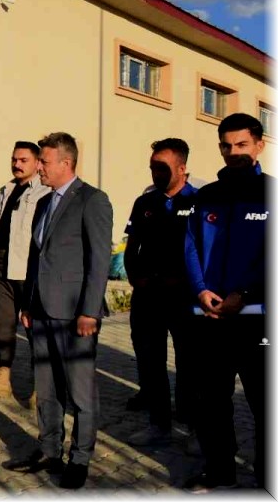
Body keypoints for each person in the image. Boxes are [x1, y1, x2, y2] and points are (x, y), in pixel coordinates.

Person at [3, 132, 112, 489]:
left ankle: (80, 458)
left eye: (45, 162)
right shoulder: (44, 201)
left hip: (74, 314)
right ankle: (50, 449)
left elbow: (99, 261)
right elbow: (36, 257)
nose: (40, 168)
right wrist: (28, 304)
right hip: (41, 311)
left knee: (80, 393)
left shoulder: (92, 200)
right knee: (47, 389)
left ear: (66, 163)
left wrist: (90, 311)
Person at [183, 113, 270, 492]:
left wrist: (245, 294)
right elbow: (191, 247)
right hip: (212, 316)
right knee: (211, 401)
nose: (233, 152)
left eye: (242, 144)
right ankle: (219, 470)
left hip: (258, 320)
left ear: (260, 145)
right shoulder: (207, 196)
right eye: (226, 145)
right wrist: (201, 290)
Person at [123, 138, 197, 447]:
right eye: (152, 167)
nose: (155, 173)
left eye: (162, 167)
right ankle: (159, 423)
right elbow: (131, 247)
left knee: (190, 365)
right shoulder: (145, 203)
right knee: (149, 361)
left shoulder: (199, 202)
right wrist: (134, 277)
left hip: (184, 299)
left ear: (181, 168)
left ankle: (193, 427)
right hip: (148, 297)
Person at [0, 142, 52, 401]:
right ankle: (1, 381)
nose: (17, 164)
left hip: (28, 269)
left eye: (23, 160)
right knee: (2, 327)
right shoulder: (6, 189)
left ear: (37, 163)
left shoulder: (45, 191)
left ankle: (41, 389)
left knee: (35, 328)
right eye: (14, 159)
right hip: (1, 266)